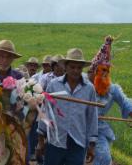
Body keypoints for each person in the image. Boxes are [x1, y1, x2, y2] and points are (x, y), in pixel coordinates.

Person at [37, 48, 98, 165]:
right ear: (65, 67)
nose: (76, 70)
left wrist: (92, 145)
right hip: (55, 140)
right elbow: (45, 111)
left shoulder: (89, 89)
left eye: (79, 68)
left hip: (78, 142)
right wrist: (40, 139)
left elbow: (92, 117)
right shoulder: (54, 85)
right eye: (72, 67)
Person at [87, 36, 132, 165]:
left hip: (98, 129)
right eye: (101, 70)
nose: (105, 74)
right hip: (78, 126)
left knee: (104, 158)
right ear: (94, 70)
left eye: (107, 70)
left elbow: (125, 102)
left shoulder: (113, 89)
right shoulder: (82, 84)